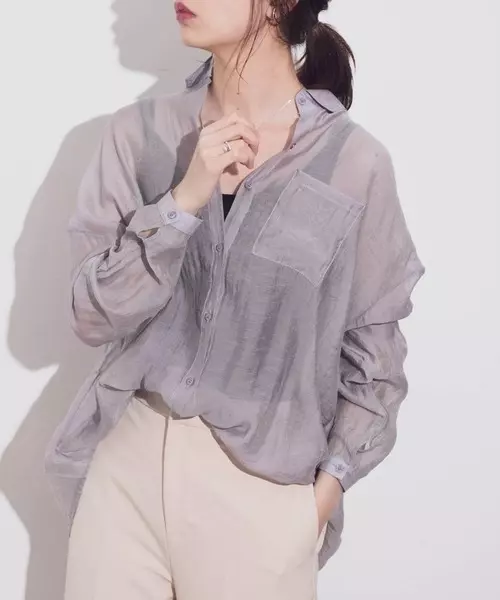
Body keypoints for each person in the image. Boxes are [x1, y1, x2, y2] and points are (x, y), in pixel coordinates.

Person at [44, 0, 426, 598]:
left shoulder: (353, 164)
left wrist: (320, 499)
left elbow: (375, 363)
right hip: (127, 467)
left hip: (259, 495)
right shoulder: (139, 135)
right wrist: (182, 204)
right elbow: (92, 315)